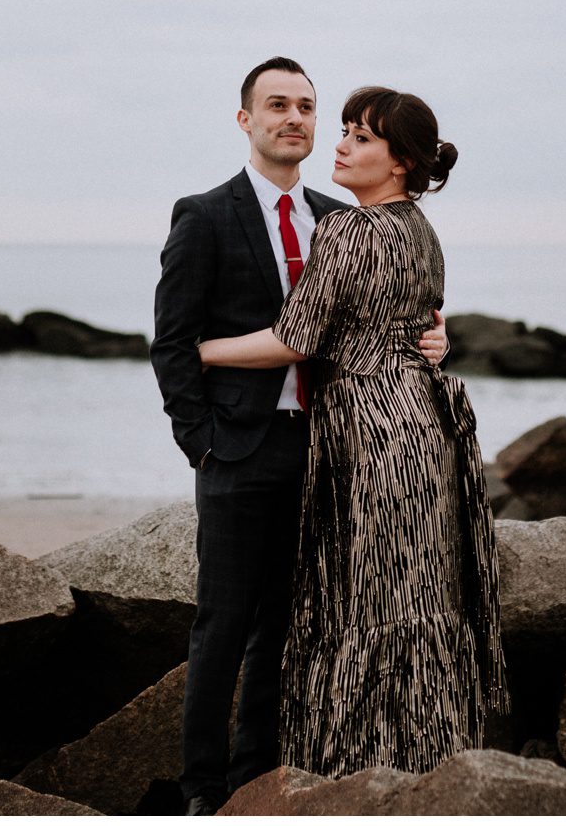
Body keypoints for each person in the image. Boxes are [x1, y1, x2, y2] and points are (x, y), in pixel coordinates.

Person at [151, 59, 449, 815]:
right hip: (240, 447)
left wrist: (439, 339)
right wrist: (203, 441)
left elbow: (390, 317)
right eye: (277, 105)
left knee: (290, 625)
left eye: (308, 107)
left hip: (331, 450)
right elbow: (172, 339)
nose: (296, 118)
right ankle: (202, 789)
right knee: (221, 625)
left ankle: (260, 777)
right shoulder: (205, 214)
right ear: (246, 119)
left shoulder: (340, 215)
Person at [197, 86, 507, 778]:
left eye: (360, 138)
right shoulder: (423, 232)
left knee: (361, 597)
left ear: (399, 163)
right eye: (343, 130)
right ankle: (428, 762)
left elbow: (293, 338)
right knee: (416, 593)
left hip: (368, 430)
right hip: (426, 425)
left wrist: (201, 351)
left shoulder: (346, 230)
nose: (340, 144)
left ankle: (355, 769)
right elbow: (422, 325)